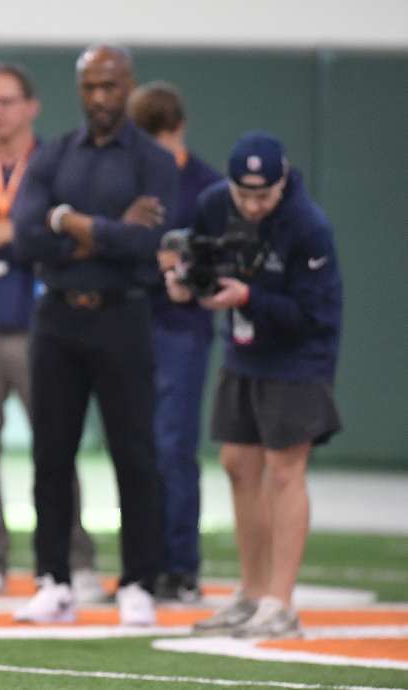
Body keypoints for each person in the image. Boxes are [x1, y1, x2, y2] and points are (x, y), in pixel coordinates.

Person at [12, 45, 178, 627]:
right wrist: (101, 230)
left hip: (123, 315)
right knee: (50, 455)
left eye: (111, 86)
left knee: (135, 453)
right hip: (56, 318)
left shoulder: (154, 160)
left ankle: (138, 581)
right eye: (91, 87)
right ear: (79, 89)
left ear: (128, 86)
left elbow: (148, 244)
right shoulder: (54, 153)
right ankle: (53, 580)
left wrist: (72, 221)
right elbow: (27, 236)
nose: (101, 98)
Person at [0, 63, 100, 599]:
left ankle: (73, 557)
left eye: (5, 102)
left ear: (31, 107)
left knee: (56, 445)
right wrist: (10, 232)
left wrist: (13, 233)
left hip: (41, 328)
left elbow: (62, 235)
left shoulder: (54, 164)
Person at [171, 133, 342, 638]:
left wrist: (248, 296)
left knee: (285, 470)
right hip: (243, 350)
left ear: (282, 182)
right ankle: (250, 592)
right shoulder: (214, 204)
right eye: (243, 195)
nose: (251, 205)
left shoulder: (308, 226)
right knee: (237, 463)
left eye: (262, 196)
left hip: (297, 356)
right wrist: (183, 280)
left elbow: (313, 315)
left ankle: (280, 602)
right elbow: (197, 260)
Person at [128, 81, 224, 603]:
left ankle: (181, 564)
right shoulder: (131, 179)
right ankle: (139, 562)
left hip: (182, 328)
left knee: (173, 447)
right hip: (133, 320)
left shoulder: (208, 187)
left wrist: (186, 269)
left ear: (181, 129)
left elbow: (224, 259)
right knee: (135, 448)